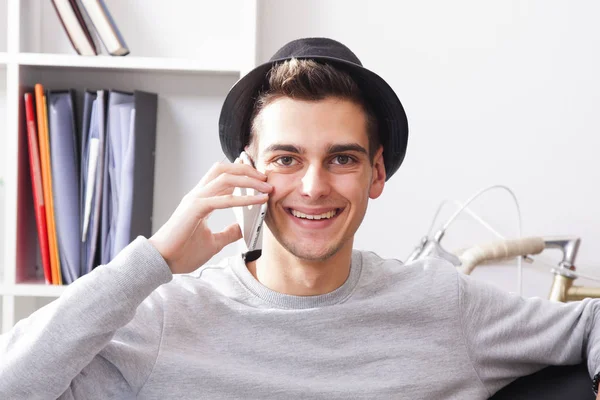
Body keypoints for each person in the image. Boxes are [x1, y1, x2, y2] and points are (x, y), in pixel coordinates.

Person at [1, 37, 599, 400]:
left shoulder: (445, 304)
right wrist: (152, 260)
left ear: (377, 175)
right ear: (246, 172)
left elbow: (590, 325)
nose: (313, 187)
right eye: (286, 159)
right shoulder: (165, 319)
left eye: (342, 158)